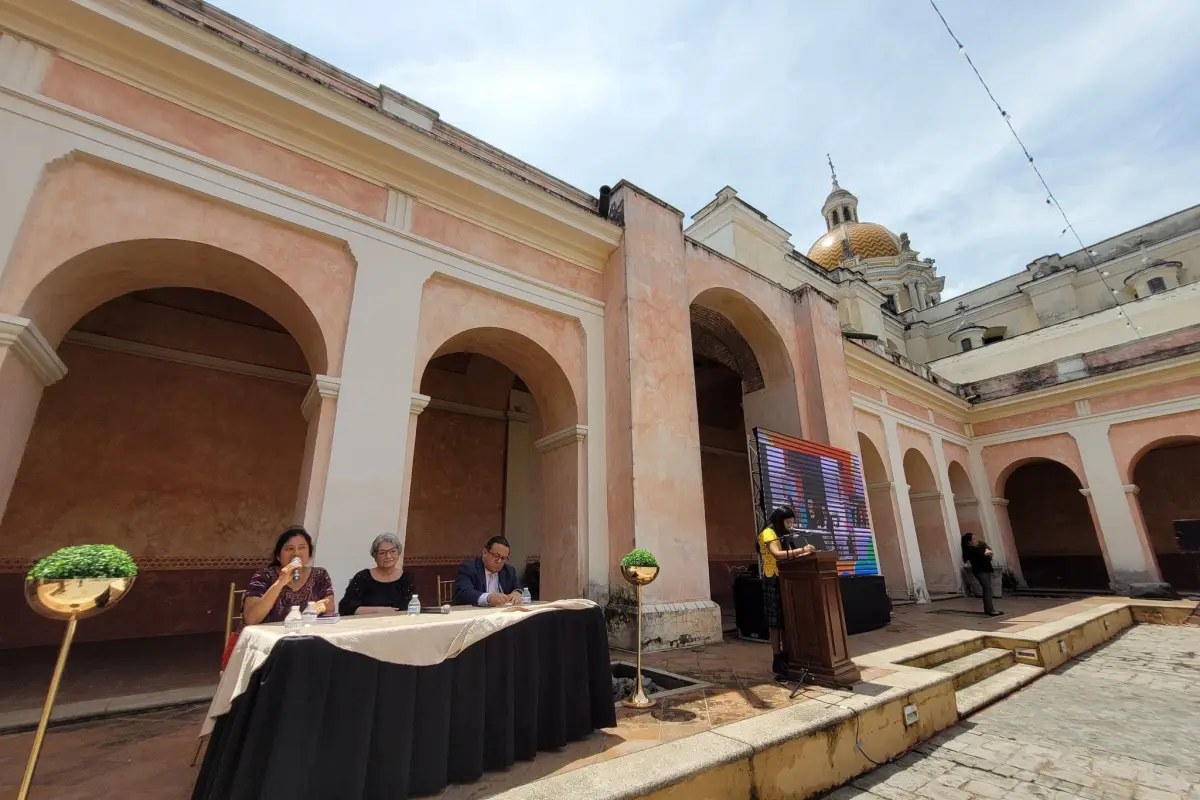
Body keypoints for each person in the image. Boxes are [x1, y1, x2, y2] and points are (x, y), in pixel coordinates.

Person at [758, 506, 817, 677]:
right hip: (773, 578)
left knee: (786, 618)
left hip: (786, 578)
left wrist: (807, 555)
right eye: (788, 522)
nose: (791, 525)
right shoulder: (769, 532)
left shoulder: (784, 535)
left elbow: (791, 555)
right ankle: (777, 658)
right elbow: (777, 554)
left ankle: (790, 655)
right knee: (775, 620)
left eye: (792, 522)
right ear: (779, 521)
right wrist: (802, 551)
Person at [243, 526, 335, 625]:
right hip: (269, 637)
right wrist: (280, 582)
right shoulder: (264, 576)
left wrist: (315, 608)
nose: (296, 553)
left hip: (305, 636)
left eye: (302, 548)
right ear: (278, 556)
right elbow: (251, 619)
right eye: (289, 549)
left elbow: (329, 606)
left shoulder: (320, 575)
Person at [338, 533, 415, 616]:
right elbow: (345, 608)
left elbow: (414, 606)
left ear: (399, 553)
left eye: (393, 551)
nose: (388, 556)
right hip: (367, 624)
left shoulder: (407, 578)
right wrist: (378, 610)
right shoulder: (362, 577)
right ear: (375, 556)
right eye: (382, 553)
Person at [454, 536, 523, 607]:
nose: (499, 561)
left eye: (503, 558)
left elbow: (518, 587)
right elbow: (463, 593)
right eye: (496, 556)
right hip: (476, 614)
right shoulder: (468, 568)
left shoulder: (509, 570)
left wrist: (517, 593)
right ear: (485, 553)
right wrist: (488, 597)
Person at [961, 532, 1002, 617]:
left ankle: (989, 609)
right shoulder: (971, 550)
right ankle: (990, 610)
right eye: (974, 539)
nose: (976, 541)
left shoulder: (978, 548)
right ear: (969, 542)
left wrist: (987, 553)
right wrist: (987, 552)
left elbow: (988, 555)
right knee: (987, 588)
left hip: (986, 569)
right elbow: (985, 553)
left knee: (988, 588)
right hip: (980, 571)